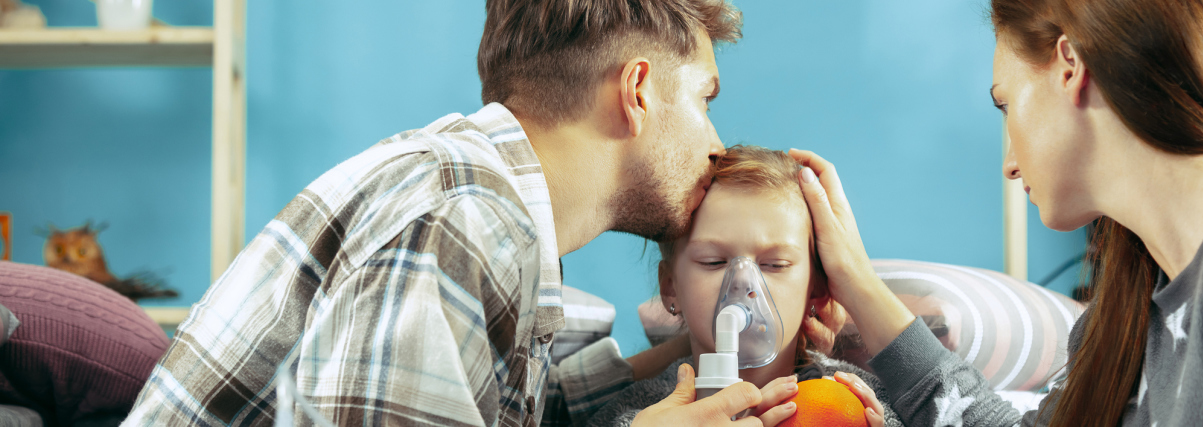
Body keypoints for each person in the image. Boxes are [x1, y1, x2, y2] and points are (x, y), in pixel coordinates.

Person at [123, 1, 773, 426]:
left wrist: (689, 348)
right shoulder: (457, 217)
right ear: (637, 91)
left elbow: (514, 404)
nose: (716, 142)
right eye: (703, 97)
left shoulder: (484, 203)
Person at [793, 0, 1203, 425]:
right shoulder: (1129, 306)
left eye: (1005, 105)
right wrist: (856, 282)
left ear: (1070, 66)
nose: (1008, 164)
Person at [586, 146, 900, 427]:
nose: (743, 286)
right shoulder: (638, 414)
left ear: (816, 289)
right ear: (670, 288)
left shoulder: (854, 399)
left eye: (775, 264)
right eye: (713, 262)